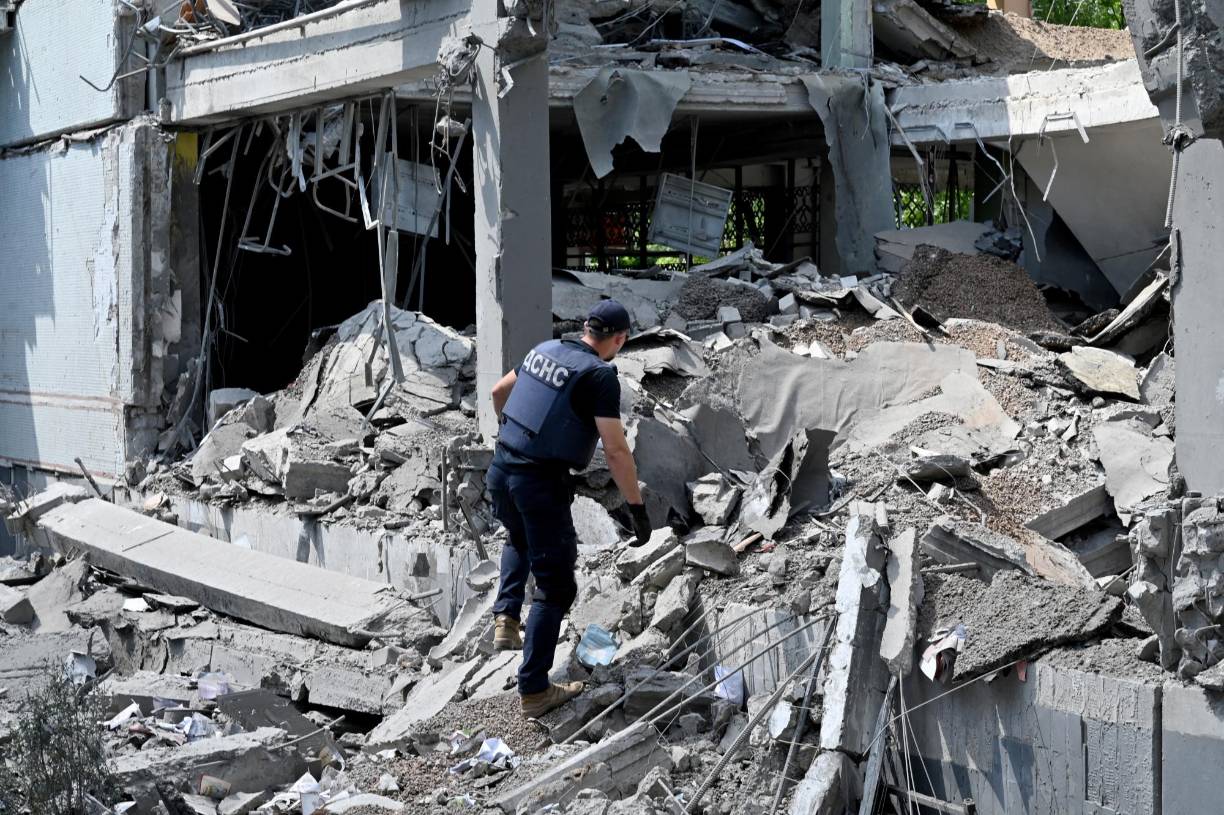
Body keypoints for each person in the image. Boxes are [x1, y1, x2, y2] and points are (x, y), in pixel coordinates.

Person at [486, 299, 654, 718]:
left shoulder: (543, 350)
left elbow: (498, 392)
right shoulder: (599, 376)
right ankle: (535, 690)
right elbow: (615, 450)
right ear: (619, 339)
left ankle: (506, 618)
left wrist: (515, 439)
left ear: (584, 328)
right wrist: (636, 507)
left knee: (519, 537)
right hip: (539, 483)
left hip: (501, 467)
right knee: (556, 587)